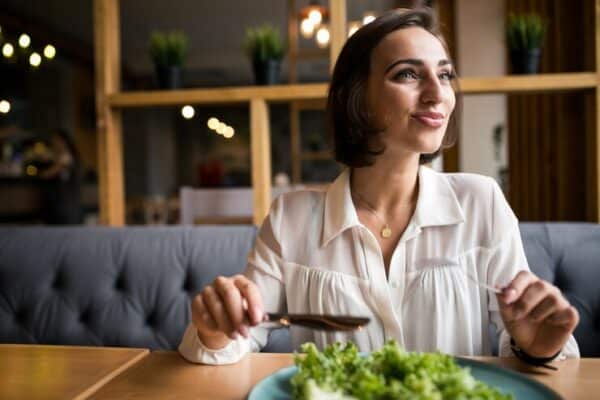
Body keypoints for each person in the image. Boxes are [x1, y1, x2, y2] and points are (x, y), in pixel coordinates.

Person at [179, 8, 579, 365]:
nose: (438, 93)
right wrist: (215, 329)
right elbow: (235, 341)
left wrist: (536, 346)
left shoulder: (481, 202)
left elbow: (535, 347)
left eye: (444, 75)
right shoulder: (292, 217)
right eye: (408, 74)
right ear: (359, 97)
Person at [40, 130, 83, 224]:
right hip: (64, 202)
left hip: (66, 201)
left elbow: (48, 174)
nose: (54, 143)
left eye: (56, 140)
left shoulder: (66, 157)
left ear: (63, 141)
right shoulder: (62, 156)